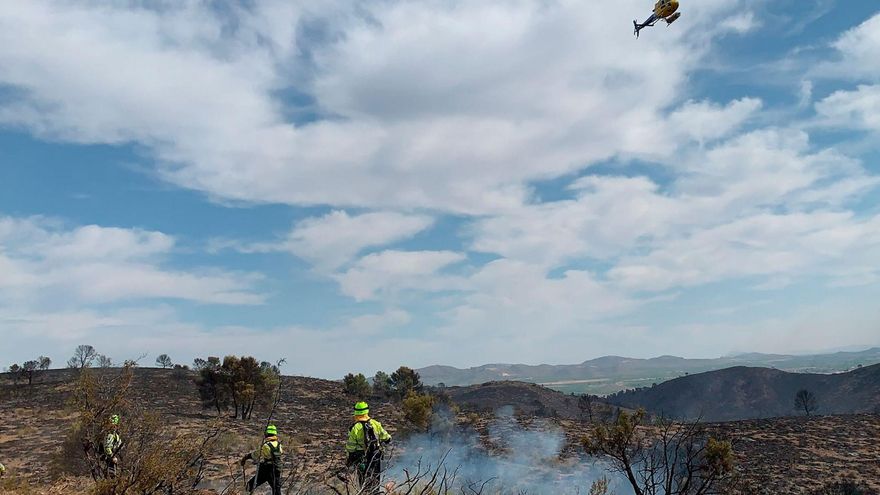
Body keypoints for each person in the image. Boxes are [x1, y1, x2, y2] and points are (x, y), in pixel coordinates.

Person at [345, 402, 392, 495]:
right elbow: (387, 437)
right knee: (375, 479)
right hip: (375, 456)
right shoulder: (375, 424)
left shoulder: (355, 428)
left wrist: (349, 458)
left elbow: (350, 446)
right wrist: (386, 440)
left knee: (363, 481)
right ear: (367, 411)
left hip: (361, 458)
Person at [240, 424, 283, 495]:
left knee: (250, 486)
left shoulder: (266, 445)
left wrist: (246, 457)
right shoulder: (279, 445)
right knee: (276, 491)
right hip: (276, 469)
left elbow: (256, 454)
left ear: (266, 434)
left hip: (266, 469)